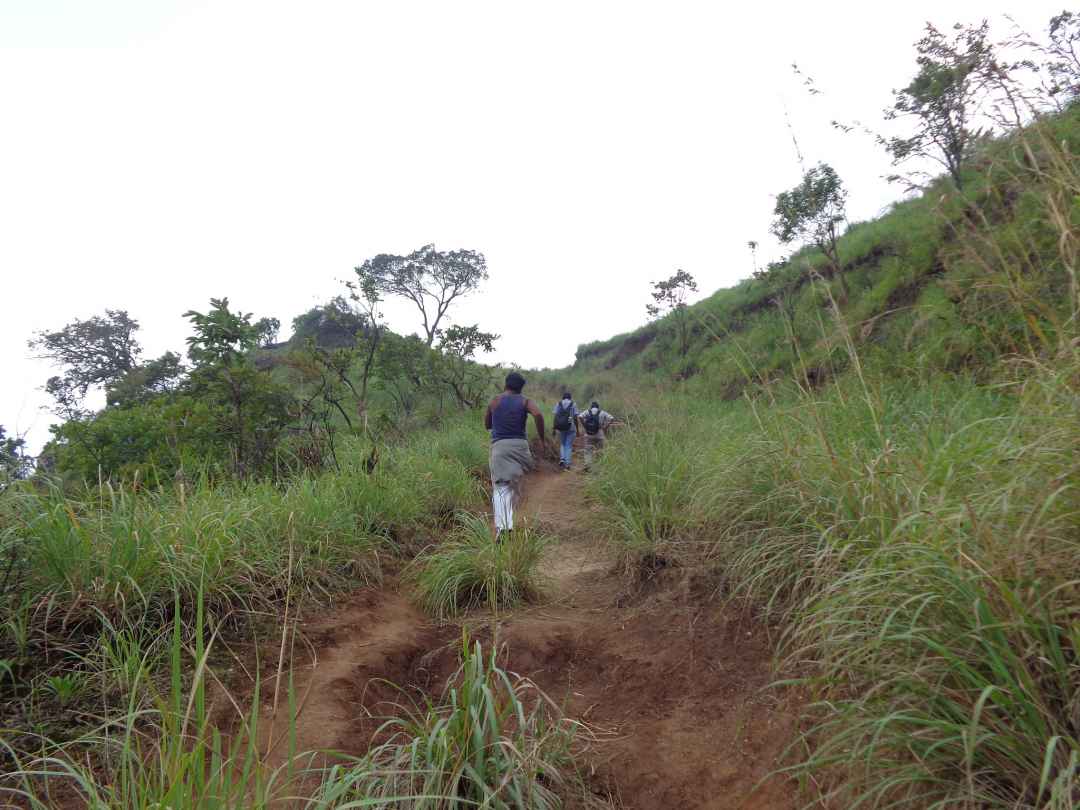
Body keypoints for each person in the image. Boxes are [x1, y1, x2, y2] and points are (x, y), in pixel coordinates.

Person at [484, 371, 546, 536]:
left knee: (501, 486)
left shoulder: (495, 401)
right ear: (521, 388)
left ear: (506, 385)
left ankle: (503, 528)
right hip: (520, 447)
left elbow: (487, 425)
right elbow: (538, 414)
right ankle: (510, 521)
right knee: (515, 483)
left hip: (500, 447)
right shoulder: (525, 401)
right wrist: (542, 438)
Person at [578, 400, 615, 470]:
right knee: (600, 450)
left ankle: (588, 465)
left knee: (588, 450)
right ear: (598, 407)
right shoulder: (602, 412)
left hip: (588, 434)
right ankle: (599, 466)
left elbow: (580, 416)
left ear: (591, 407)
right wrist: (606, 427)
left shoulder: (587, 411)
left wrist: (584, 425)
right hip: (600, 434)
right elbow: (612, 418)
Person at [551, 391, 578, 470]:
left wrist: (554, 428)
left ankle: (562, 459)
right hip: (570, 427)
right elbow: (575, 417)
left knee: (562, 444)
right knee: (568, 445)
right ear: (570, 397)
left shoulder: (558, 404)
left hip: (561, 426)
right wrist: (577, 428)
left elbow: (555, 416)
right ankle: (567, 463)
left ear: (563, 397)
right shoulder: (573, 404)